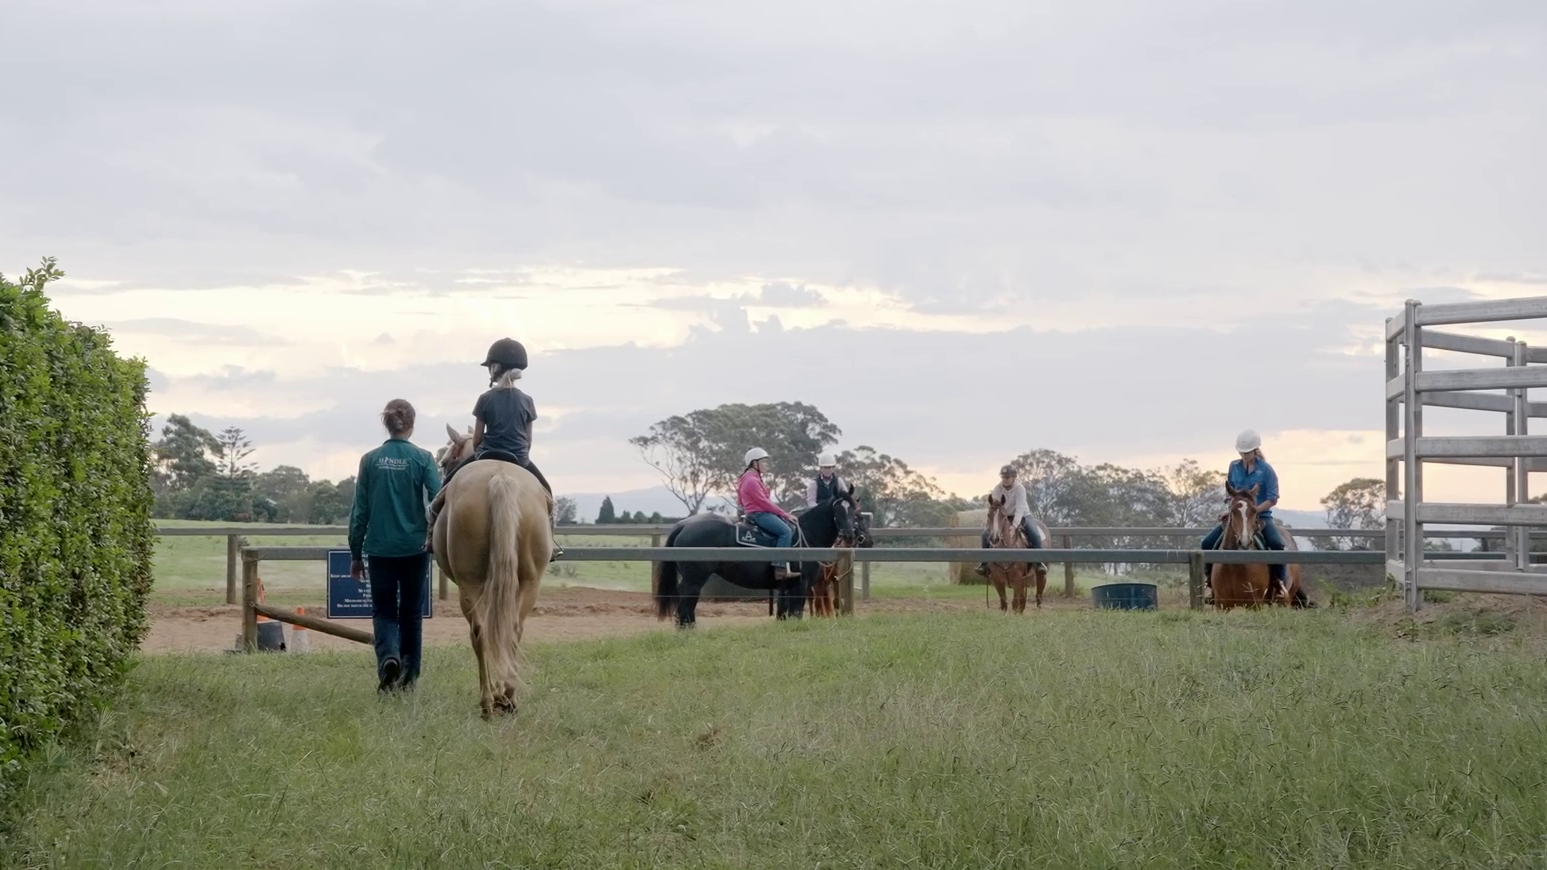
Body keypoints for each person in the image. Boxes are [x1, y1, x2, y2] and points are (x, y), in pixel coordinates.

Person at [425, 337, 562, 561]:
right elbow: (528, 440)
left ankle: (431, 535)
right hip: (519, 458)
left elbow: (477, 438)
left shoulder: (485, 399)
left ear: (494, 368)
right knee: (548, 498)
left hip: (486, 454)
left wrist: (480, 449)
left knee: (442, 493)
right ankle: (550, 543)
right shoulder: (527, 401)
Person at [348, 399, 442, 694]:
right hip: (415, 548)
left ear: (386, 424)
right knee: (411, 613)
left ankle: (389, 658)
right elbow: (438, 499)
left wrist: (355, 553)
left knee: (384, 611)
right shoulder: (424, 458)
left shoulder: (370, 460)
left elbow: (359, 511)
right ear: (412, 425)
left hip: (380, 550)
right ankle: (409, 677)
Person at [1200, 429, 1297, 603]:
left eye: (1247, 452)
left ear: (1256, 450)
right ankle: (1210, 585)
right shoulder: (1234, 467)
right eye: (1242, 452)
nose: (1244, 456)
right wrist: (1230, 510)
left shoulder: (1266, 470)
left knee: (1276, 544)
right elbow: (1231, 493)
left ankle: (1279, 585)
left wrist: (1253, 511)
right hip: (1236, 516)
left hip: (1261, 515)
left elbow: (1272, 498)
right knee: (1206, 543)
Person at [975, 464, 1045, 577]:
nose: (1005, 479)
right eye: (1003, 477)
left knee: (1034, 534)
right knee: (985, 535)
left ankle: (1039, 562)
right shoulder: (997, 489)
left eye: (1007, 477)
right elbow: (996, 506)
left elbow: (1020, 508)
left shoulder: (1020, 489)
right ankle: (984, 564)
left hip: (1022, 515)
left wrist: (1014, 526)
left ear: (1013, 477)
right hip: (1004, 515)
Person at [738, 447, 797, 580]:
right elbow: (764, 502)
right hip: (759, 514)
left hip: (757, 512)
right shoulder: (752, 481)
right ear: (754, 463)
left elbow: (741, 500)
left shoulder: (750, 478)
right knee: (786, 531)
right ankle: (780, 567)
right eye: (763, 462)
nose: (767, 465)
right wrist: (785, 514)